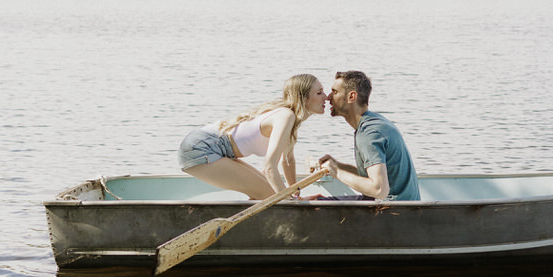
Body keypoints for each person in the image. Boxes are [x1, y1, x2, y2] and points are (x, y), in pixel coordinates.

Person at [179, 74, 328, 200]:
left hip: (208, 145)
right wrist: (289, 201)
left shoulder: (289, 118)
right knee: (270, 194)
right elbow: (269, 168)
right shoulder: (286, 116)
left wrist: (295, 194)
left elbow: (287, 160)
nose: (326, 97)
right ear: (302, 97)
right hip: (202, 147)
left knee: (270, 192)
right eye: (319, 92)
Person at [316, 69, 420, 201]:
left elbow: (379, 189)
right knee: (318, 201)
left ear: (351, 97)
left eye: (335, 92)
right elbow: (372, 177)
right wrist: (338, 165)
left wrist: (336, 172)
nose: (328, 97)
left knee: (315, 206)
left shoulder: (369, 133)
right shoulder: (374, 122)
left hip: (392, 213)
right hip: (402, 208)